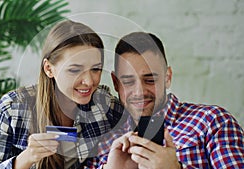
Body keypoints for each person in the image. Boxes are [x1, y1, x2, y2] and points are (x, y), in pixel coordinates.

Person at [0, 20, 130, 169]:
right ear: (49, 69)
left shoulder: (105, 104)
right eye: (75, 70)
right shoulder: (12, 109)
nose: (89, 81)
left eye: (96, 69)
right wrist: (27, 157)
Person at [101, 32, 244, 168]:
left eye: (150, 80)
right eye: (128, 82)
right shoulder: (104, 141)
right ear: (115, 83)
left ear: (167, 77)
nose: (140, 92)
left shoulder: (212, 122)